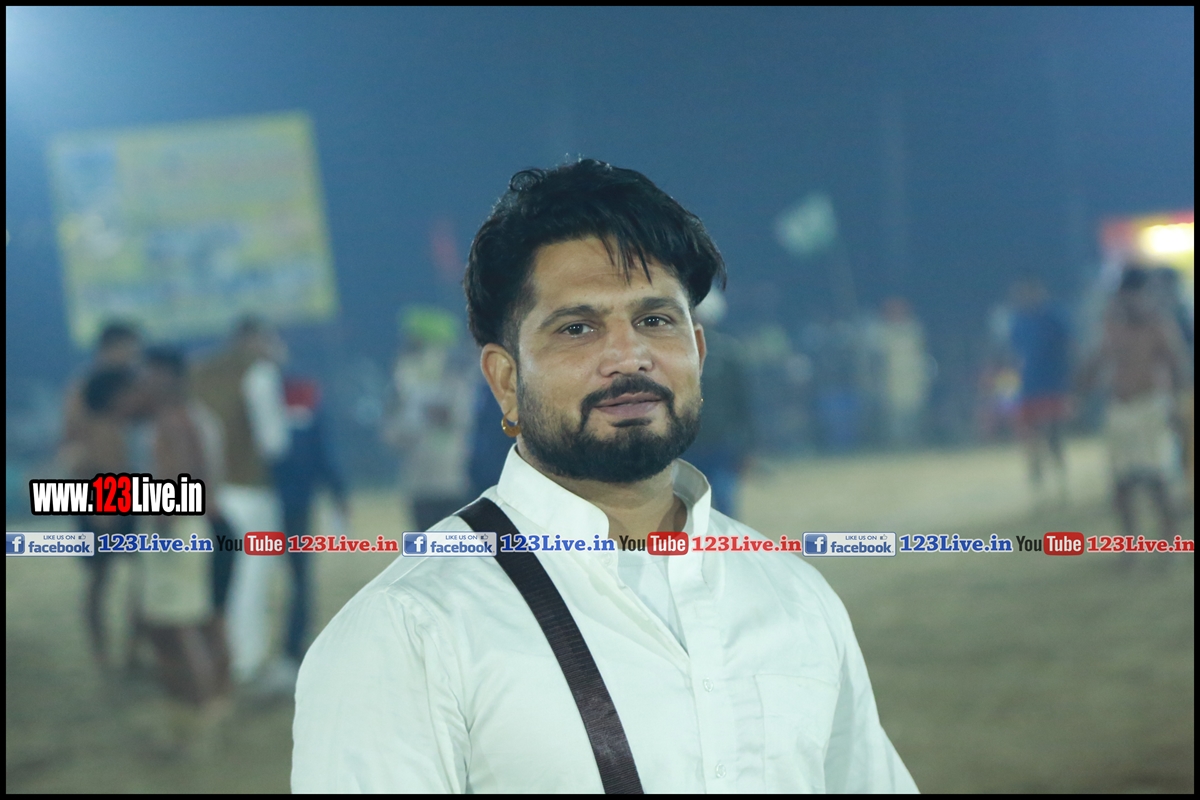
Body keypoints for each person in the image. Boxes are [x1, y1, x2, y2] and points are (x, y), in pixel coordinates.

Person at [293, 159, 917, 793]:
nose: (628, 356)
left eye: (655, 320)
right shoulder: (409, 629)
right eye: (577, 328)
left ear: (698, 352)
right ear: (506, 380)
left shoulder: (794, 596)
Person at [139, 346, 232, 755]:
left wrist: (156, 523)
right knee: (205, 622)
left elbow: (177, 483)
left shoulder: (174, 420)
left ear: (169, 377)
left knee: (180, 628)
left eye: (151, 374)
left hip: (180, 528)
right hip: (205, 524)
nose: (144, 382)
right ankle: (211, 707)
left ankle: (199, 719)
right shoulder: (197, 416)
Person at [191, 316, 290, 684]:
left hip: (206, 493)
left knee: (218, 581)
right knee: (252, 580)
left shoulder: (198, 371)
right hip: (249, 489)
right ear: (257, 338)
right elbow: (274, 442)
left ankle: (219, 657)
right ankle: (247, 661)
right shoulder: (259, 373)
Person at [1078, 268, 1190, 546]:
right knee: (1122, 484)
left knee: (1157, 480)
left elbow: (1176, 364)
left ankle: (1168, 542)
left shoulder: (1158, 324)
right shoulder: (1112, 325)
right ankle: (1130, 544)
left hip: (1150, 407)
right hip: (1120, 409)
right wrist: (1080, 391)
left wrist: (1177, 405)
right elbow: (1097, 359)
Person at [263, 375, 349, 693]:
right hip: (294, 502)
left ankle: (285, 648)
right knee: (299, 578)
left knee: (280, 579)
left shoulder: (265, 398)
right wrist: (338, 493)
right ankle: (292, 648)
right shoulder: (305, 399)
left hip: (267, 499)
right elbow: (322, 452)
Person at [383, 307, 476, 530]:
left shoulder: (456, 383)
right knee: (425, 546)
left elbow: (463, 419)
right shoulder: (401, 388)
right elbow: (391, 435)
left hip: (453, 481)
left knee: (458, 545)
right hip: (419, 484)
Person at [74, 365, 141, 669]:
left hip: (111, 511)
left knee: (102, 582)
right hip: (108, 514)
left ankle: (110, 652)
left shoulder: (115, 426)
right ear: (114, 397)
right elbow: (107, 475)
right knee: (109, 582)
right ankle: (114, 653)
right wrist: (105, 518)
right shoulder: (105, 429)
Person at [681, 287, 753, 517]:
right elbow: (743, 405)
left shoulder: (727, 353)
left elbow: (742, 403)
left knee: (715, 503)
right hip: (691, 443)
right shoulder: (678, 354)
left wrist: (746, 445)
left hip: (717, 444)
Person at [1008, 277, 1073, 503]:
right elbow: (1014, 353)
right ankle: (1039, 491)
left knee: (1054, 438)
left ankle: (1061, 485)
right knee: (1032, 443)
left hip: (1052, 386)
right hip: (1029, 389)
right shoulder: (1018, 321)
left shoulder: (1054, 317)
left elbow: (1069, 346)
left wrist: (1068, 379)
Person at [873, 296, 930, 448]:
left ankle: (914, 442)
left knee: (914, 412)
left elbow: (920, 353)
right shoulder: (881, 331)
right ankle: (896, 444)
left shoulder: (914, 328)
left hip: (913, 379)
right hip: (891, 380)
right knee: (894, 415)